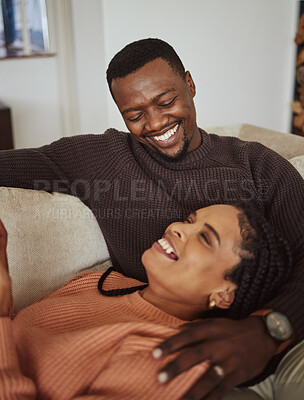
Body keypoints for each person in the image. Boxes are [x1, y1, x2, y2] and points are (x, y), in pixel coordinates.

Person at [0, 38, 303, 399]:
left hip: (280, 343)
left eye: (166, 101)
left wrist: (268, 329)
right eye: (135, 115)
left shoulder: (258, 166)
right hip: (156, 355)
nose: (156, 123)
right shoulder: (101, 159)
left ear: (189, 84)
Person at [0, 204, 292, 399]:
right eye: (191, 220)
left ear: (224, 293)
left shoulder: (173, 361)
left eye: (204, 238)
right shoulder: (105, 282)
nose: (178, 227)